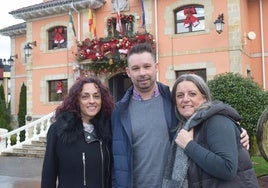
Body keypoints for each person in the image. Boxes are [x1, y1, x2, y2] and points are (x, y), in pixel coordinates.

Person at [111, 43, 250, 188]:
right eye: (135, 68)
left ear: (156, 67)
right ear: (128, 72)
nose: (142, 73)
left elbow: (205, 116)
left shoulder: (173, 102)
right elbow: (114, 158)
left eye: (147, 66)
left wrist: (237, 132)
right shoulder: (119, 112)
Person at [162, 73, 259, 188]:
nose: (185, 99)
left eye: (192, 94)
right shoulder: (186, 127)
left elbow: (227, 169)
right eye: (180, 95)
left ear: (204, 98)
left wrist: (188, 145)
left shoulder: (217, 121)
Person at [41, 77, 114, 188]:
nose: (92, 101)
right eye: (85, 97)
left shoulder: (109, 130)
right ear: (76, 100)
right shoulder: (59, 130)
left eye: (96, 96)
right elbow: (48, 174)